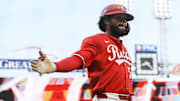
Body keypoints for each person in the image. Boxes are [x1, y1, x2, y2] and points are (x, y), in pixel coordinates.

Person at [30, 4, 134, 101]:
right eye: (119, 18)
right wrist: (54, 66)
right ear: (106, 20)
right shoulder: (97, 40)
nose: (124, 22)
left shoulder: (123, 48)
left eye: (125, 20)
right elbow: (78, 59)